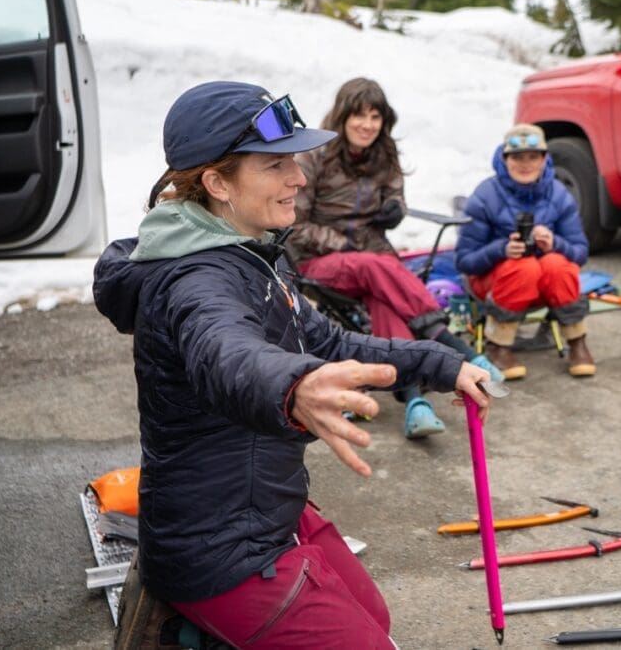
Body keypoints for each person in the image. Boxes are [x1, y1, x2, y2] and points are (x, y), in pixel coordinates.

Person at [93, 81, 491, 649]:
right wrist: (294, 385)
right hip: (218, 549)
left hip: (258, 509)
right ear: (217, 183)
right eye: (275, 165)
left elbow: (330, 343)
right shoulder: (198, 278)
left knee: (374, 614)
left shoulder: (246, 253)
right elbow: (225, 351)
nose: (299, 179)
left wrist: (441, 363)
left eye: (295, 162)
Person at [289, 76, 502, 439]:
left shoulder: (384, 154)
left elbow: (396, 199)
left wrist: (394, 209)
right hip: (318, 261)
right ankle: (449, 343)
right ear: (341, 116)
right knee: (378, 266)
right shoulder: (313, 156)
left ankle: (415, 400)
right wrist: (341, 243)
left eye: (375, 117)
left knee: (383, 295)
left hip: (373, 261)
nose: (367, 125)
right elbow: (293, 224)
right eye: (359, 115)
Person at [455, 123, 594, 380]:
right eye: (517, 157)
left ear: (544, 159)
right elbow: (464, 261)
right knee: (524, 266)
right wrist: (502, 249)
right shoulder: (486, 195)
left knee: (558, 264)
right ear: (504, 158)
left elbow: (580, 253)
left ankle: (577, 341)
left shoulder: (559, 194)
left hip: (543, 284)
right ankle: (499, 345)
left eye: (533, 157)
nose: (525, 164)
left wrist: (555, 244)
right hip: (494, 283)